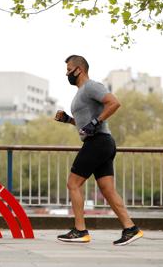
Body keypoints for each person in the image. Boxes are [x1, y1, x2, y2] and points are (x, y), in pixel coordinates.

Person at [54, 55, 143, 246]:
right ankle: (130, 228)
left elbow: (114, 102)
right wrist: (68, 119)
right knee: (108, 190)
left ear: (80, 69)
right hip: (102, 142)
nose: (66, 73)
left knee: (73, 184)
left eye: (69, 69)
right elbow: (84, 124)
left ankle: (80, 230)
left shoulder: (91, 86)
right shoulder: (80, 93)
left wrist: (96, 122)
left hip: (98, 142)